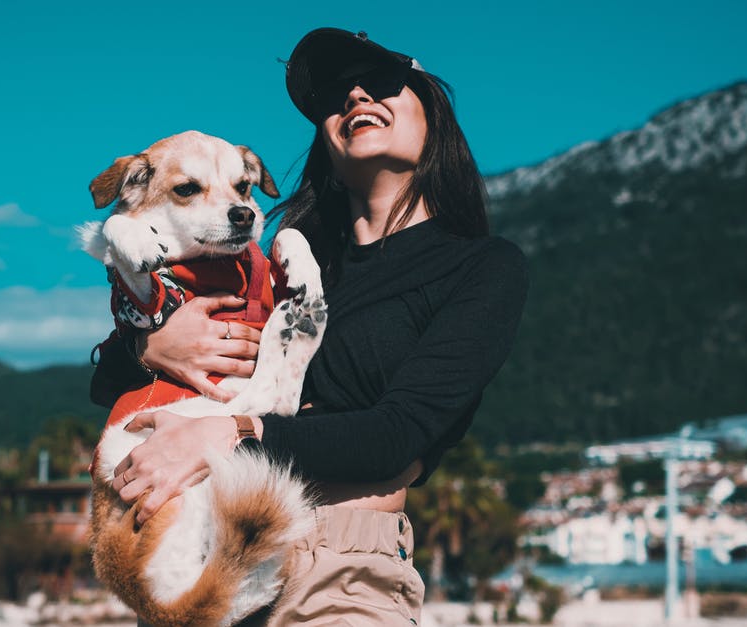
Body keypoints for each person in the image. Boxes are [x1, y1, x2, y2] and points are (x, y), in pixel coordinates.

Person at [90, 28, 528, 624]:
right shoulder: (280, 262)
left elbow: (398, 434)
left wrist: (232, 433)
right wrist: (153, 347)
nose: (355, 96)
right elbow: (107, 384)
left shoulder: (480, 267)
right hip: (198, 550)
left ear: (434, 112)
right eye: (333, 95)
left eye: (381, 81)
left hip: (339, 568)